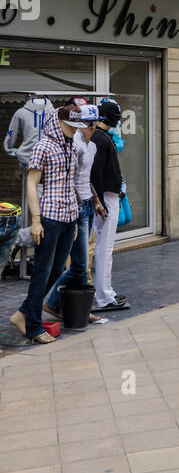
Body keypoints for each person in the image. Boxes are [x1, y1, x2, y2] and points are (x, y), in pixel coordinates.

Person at [10, 105, 83, 344]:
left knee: (56, 269)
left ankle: (22, 313)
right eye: (70, 125)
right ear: (58, 122)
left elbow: (70, 184)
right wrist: (36, 220)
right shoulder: (43, 146)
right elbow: (32, 183)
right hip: (49, 216)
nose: (74, 130)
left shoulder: (70, 147)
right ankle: (32, 326)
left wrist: (73, 219)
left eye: (76, 126)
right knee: (42, 270)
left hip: (68, 217)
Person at [43, 103, 102, 322]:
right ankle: (52, 303)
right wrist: (77, 203)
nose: (92, 127)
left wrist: (96, 200)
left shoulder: (92, 147)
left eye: (94, 123)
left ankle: (73, 307)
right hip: (76, 208)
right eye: (88, 123)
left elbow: (86, 179)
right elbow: (70, 179)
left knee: (81, 263)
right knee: (78, 264)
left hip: (87, 204)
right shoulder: (74, 144)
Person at [90, 98, 130, 313]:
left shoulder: (102, 138)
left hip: (106, 197)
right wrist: (101, 202)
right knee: (105, 249)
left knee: (104, 248)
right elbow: (96, 173)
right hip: (106, 199)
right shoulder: (102, 139)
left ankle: (107, 291)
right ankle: (104, 296)